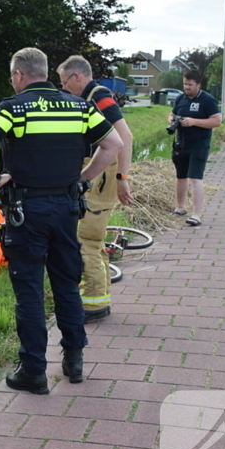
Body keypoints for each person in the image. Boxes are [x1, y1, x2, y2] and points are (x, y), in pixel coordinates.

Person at [0, 47, 122, 394]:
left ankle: (34, 371)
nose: (13, 81)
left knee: (30, 292)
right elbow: (112, 143)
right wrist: (84, 178)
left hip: (27, 212)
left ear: (20, 75)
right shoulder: (80, 106)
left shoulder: (13, 107)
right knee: (67, 284)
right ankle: (75, 361)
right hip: (67, 209)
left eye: (12, 76)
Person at [57, 55, 135, 322]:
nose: (63, 87)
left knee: (85, 240)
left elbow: (124, 136)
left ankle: (92, 307)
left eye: (64, 81)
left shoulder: (98, 95)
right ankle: (98, 298)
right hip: (102, 176)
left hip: (101, 178)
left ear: (77, 76)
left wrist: (122, 177)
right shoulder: (90, 97)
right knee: (94, 240)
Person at [169, 70, 222, 227]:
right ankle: (180, 207)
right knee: (181, 176)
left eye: (190, 85)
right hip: (181, 143)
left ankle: (196, 214)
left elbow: (217, 121)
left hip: (199, 144)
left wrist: (193, 122)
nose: (187, 87)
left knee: (195, 178)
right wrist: (173, 119)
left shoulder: (207, 100)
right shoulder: (180, 98)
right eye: (185, 84)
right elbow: (171, 114)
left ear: (199, 84)